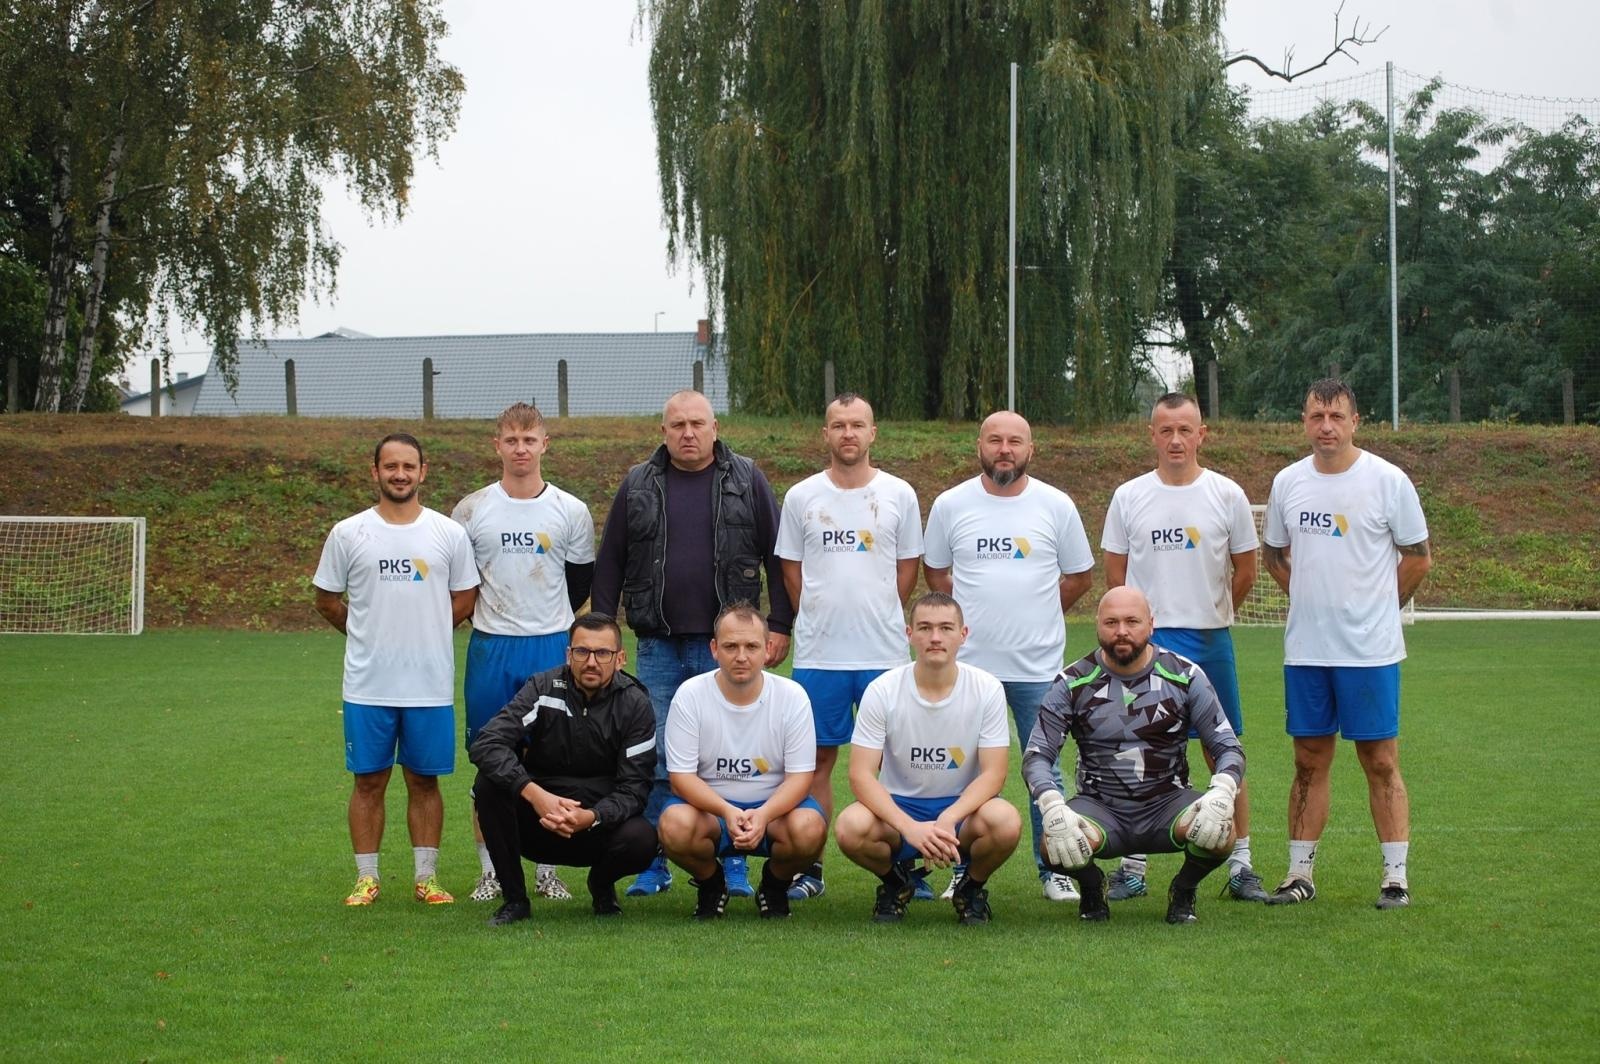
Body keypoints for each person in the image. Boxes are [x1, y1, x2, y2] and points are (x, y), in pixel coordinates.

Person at [591, 389, 794, 900]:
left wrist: (780, 623)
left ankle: (737, 862)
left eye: (697, 424)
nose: (687, 433)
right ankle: (656, 859)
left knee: (737, 754)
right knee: (657, 755)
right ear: (663, 431)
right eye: (677, 424)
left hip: (733, 648)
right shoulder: (638, 483)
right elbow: (611, 559)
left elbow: (777, 553)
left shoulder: (746, 479)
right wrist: (602, 633)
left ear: (715, 427)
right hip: (658, 643)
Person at [1262, 379, 1432, 910]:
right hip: (1308, 651)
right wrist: (1312, 601)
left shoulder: (1387, 481)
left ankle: (1395, 878)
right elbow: (1273, 556)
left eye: (1336, 416)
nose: (1326, 426)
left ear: (1356, 421)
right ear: (1304, 421)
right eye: (1316, 417)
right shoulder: (1288, 483)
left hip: (1370, 652)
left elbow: (1419, 555)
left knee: (1380, 760)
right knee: (1308, 761)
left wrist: (1377, 607)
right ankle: (1298, 875)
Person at [1100, 392, 1267, 903]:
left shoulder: (1227, 494)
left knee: (1225, 751)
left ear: (1202, 434)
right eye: (1166, 430)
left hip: (1209, 639)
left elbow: (1246, 570)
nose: (1176, 439)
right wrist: (1139, 627)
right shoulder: (1129, 496)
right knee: (1137, 751)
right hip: (1150, 641)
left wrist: (1211, 612)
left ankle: (1241, 864)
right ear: (1152, 434)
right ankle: (1133, 865)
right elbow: (1115, 576)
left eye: (1185, 430)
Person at [922, 409, 1094, 903]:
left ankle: (1054, 867)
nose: (1005, 449)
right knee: (969, 774)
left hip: (1037, 669)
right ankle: (962, 867)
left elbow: (1079, 577)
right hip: (970, 669)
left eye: (1015, 441)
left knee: (1043, 768)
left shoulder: (1056, 506)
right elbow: (937, 575)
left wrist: (1041, 613)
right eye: (995, 440)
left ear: (1030, 449)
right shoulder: (952, 505)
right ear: (979, 445)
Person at [313, 433, 479, 906]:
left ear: (423, 472)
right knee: (368, 780)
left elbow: (466, 598)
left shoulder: (448, 534)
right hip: (368, 685)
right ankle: (367, 879)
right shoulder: (349, 533)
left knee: (424, 781)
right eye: (391, 466)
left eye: (409, 466)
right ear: (376, 472)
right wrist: (363, 631)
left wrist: (425, 630)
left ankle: (426, 879)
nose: (400, 474)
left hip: (428, 685)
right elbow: (326, 599)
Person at [1022, 587, 1246, 924]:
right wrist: (1052, 804)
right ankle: (1092, 884)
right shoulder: (1073, 681)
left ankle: (1184, 889)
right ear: (1097, 625)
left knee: (1219, 830)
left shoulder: (1185, 675)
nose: (1122, 631)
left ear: (1151, 625)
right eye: (1111, 622)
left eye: (1132, 621)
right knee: (1054, 843)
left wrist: (1223, 790)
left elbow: (1227, 745)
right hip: (1100, 807)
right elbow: (1037, 755)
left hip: (1168, 804)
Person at [775, 392, 922, 901]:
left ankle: (908, 863)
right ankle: (809, 867)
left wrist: (881, 609)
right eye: (838, 425)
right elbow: (792, 571)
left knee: (899, 763)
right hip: (820, 656)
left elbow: (908, 569)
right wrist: (817, 612)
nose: (848, 434)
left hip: (884, 655)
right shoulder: (801, 497)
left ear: (873, 432)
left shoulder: (900, 494)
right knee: (815, 763)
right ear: (826, 434)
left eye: (857, 424)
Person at [453, 402, 596, 905]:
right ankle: (491, 870)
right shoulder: (470, 511)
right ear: (497, 445)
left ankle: (548, 871)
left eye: (529, 439)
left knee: (552, 760)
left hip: (550, 645)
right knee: (491, 758)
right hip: (492, 647)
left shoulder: (570, 511)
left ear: (544, 444)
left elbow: (580, 582)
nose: (520, 448)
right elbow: (462, 583)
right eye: (511, 440)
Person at [835, 592, 1021, 924]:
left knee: (1006, 822)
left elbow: (994, 775)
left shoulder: (987, 688)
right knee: (851, 826)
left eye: (946, 628)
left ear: (963, 635)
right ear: (909, 634)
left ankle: (971, 888)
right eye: (925, 628)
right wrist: (910, 828)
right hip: (901, 807)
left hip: (963, 811)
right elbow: (860, 776)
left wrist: (949, 819)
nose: (935, 637)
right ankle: (896, 884)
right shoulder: (882, 690)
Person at [468, 613, 659, 925]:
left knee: (643, 840)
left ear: (620, 658)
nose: (592, 662)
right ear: (569, 654)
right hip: (539, 820)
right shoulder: (543, 687)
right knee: (488, 785)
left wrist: (592, 817)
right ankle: (515, 900)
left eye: (603, 653)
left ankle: (600, 885)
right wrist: (534, 795)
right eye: (582, 652)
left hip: (597, 825)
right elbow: (487, 743)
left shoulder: (635, 704)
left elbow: (635, 789)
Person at [657, 605, 825, 920]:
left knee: (810, 829)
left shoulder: (792, 696)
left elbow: (801, 779)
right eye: (731, 646)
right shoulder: (690, 695)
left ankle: (774, 885)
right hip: (710, 811)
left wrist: (763, 815)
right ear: (714, 649)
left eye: (751, 646)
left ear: (768, 649)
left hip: (774, 812)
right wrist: (726, 811)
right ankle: (711, 882)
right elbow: (681, 778)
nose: (741, 656)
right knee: (674, 826)